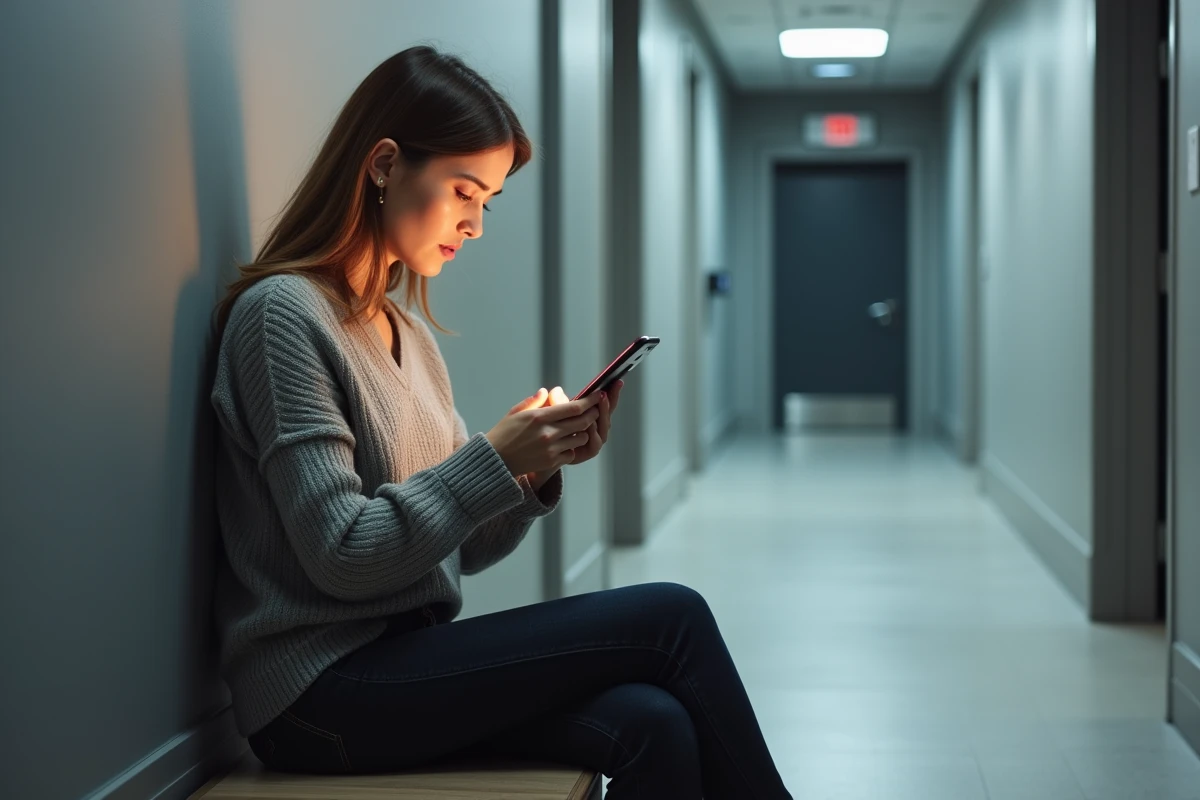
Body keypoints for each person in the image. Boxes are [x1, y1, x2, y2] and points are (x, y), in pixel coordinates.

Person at [209, 45, 792, 799]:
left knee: (654, 722)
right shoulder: (281, 317)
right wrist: (490, 458)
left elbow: (461, 551)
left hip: (403, 663)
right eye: (462, 190)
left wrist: (531, 467)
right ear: (384, 164)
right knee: (671, 616)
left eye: (486, 200)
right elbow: (343, 556)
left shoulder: (405, 335)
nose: (475, 224)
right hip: (317, 694)